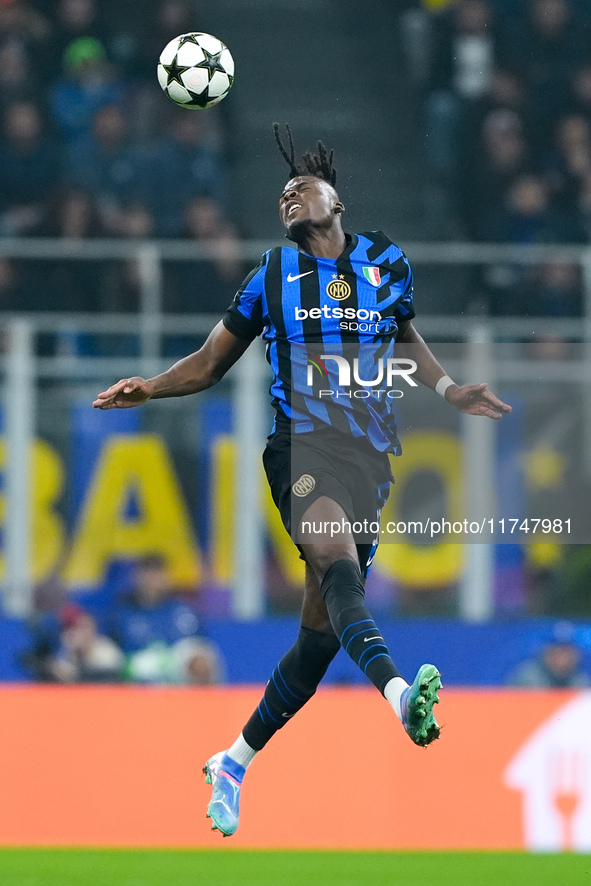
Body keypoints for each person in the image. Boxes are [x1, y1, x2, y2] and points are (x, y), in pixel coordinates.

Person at [93, 124, 511, 837]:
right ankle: (399, 693)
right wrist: (151, 388)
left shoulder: (385, 262)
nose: (288, 196)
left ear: (335, 200)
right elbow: (207, 362)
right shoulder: (270, 277)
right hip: (302, 447)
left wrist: (445, 391)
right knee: (335, 562)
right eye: (281, 194)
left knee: (318, 640)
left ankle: (231, 759)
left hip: (367, 459)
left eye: (301, 187)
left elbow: (404, 333)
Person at [506, 621, 590, 688]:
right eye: (557, 652)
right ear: (547, 654)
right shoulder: (527, 679)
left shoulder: (581, 681)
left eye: (566, 652)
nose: (562, 658)